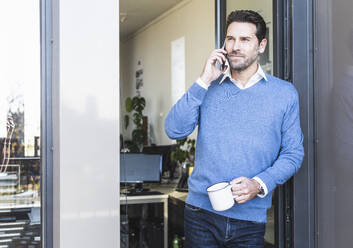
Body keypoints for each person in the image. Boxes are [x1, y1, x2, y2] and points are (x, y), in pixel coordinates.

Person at [164, 10, 304, 248]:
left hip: (251, 220)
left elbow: (293, 153)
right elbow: (174, 130)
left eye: (245, 39)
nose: (235, 46)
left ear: (261, 45)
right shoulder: (208, 86)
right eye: (230, 39)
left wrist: (259, 184)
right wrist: (202, 81)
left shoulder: (284, 93)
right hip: (200, 215)